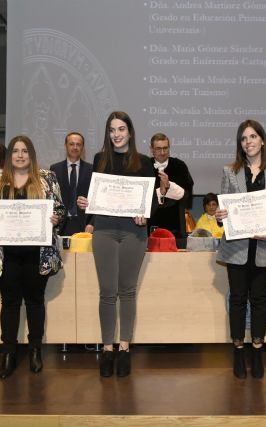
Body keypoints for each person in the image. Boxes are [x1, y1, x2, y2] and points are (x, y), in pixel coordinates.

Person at [77, 111, 160, 378]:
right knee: (107, 292)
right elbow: (95, 194)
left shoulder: (145, 162)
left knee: (127, 291)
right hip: (104, 230)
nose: (117, 134)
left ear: (130, 132)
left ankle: (124, 348)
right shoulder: (100, 159)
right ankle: (107, 348)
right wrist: (87, 206)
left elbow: (152, 201)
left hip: (133, 232)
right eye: (112, 130)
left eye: (121, 129)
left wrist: (144, 213)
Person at [0, 135, 65, 379]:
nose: (19, 155)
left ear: (31, 154)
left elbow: (60, 209)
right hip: (5, 254)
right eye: (15, 151)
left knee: (36, 302)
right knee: (9, 303)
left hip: (37, 254)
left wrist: (56, 219)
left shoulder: (47, 178)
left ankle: (35, 350)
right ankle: (8, 353)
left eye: (24, 151)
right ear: (10, 156)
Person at [215, 119, 266, 379]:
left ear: (262, 140)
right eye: (244, 138)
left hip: (263, 247)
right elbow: (223, 215)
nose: (249, 142)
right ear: (240, 144)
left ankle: (257, 351)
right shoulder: (229, 171)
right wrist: (220, 216)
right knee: (236, 299)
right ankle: (238, 350)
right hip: (237, 248)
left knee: (259, 300)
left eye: (253, 136)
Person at [147, 132, 194, 239]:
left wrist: (169, 186)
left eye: (165, 148)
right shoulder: (145, 166)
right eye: (158, 148)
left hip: (175, 224)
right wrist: (161, 192)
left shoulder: (180, 166)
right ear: (151, 149)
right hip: (150, 223)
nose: (163, 152)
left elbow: (187, 195)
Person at [50, 131, 93, 236]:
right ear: (65, 146)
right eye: (71, 144)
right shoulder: (55, 169)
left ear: (83, 147)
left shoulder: (91, 169)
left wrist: (92, 223)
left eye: (78, 144)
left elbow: (96, 199)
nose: (75, 147)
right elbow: (52, 197)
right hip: (61, 224)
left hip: (84, 224)